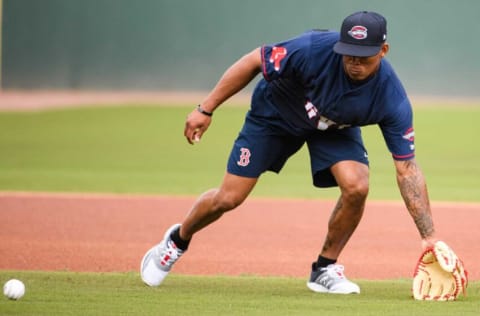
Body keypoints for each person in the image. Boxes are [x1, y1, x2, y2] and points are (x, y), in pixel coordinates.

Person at [140, 11, 438, 294]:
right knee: (229, 197)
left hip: (333, 127)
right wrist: (205, 109)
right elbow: (253, 60)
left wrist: (429, 238)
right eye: (349, 53)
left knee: (357, 185)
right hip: (275, 115)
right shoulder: (312, 50)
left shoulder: (391, 97)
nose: (354, 62)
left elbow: (407, 169)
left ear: (383, 50)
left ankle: (324, 268)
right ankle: (177, 241)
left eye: (364, 56)